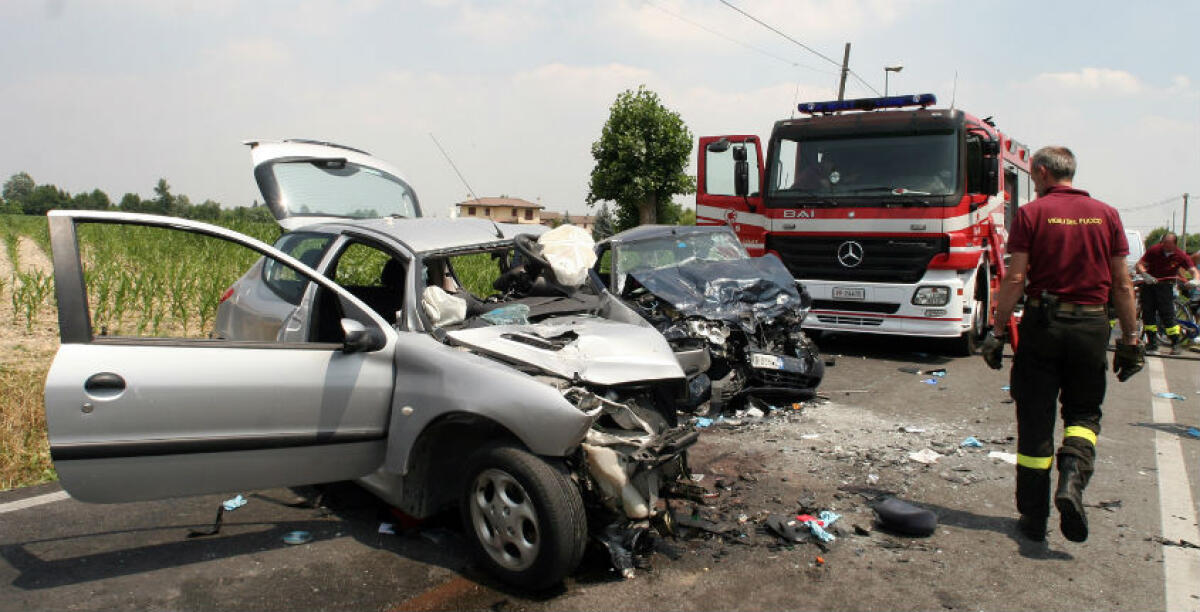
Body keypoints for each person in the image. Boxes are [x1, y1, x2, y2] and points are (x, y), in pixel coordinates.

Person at [981, 146, 1143, 544]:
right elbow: (1122, 284)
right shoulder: (1107, 215)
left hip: (1044, 323)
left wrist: (997, 331)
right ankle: (1072, 480)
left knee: (1035, 421)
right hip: (1091, 326)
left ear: (1039, 173)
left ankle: (1033, 520)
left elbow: (1015, 280)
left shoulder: (1032, 214)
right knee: (1084, 415)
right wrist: (1132, 339)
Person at [1135, 233, 1200, 354]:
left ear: (1174, 244)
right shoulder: (1154, 250)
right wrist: (1145, 274)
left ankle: (1175, 343)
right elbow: (1139, 264)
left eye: (1168, 243)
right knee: (1148, 315)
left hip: (1165, 288)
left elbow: (1193, 270)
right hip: (1149, 285)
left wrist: (1195, 280)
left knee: (1168, 316)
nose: (1164, 245)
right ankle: (1152, 342)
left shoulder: (1180, 255)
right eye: (1163, 242)